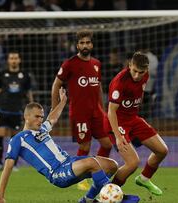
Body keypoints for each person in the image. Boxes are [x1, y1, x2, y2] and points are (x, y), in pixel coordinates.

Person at [0, 88, 118, 203]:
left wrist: (62, 102)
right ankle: (115, 196)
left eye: (41, 117)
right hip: (57, 172)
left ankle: (87, 200)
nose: (40, 120)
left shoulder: (42, 129)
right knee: (92, 162)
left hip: (69, 162)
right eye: (37, 116)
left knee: (112, 165)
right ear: (26, 117)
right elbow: (8, 167)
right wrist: (0, 196)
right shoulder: (18, 139)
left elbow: (52, 118)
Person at [51, 29, 113, 190]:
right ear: (77, 45)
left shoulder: (97, 64)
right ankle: (80, 178)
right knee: (85, 147)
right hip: (80, 113)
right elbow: (56, 84)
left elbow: (98, 86)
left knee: (107, 144)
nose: (85, 45)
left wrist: (103, 109)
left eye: (88, 42)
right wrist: (53, 108)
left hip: (97, 112)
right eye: (82, 43)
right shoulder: (70, 64)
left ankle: (99, 172)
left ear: (92, 44)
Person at [104, 52, 168, 196]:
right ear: (129, 66)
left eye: (141, 72)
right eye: (135, 71)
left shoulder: (145, 75)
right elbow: (111, 112)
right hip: (117, 122)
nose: (138, 75)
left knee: (162, 150)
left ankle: (144, 178)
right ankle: (108, 194)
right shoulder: (119, 82)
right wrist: (118, 136)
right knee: (132, 163)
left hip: (133, 119)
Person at [0, 51, 34, 171]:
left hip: (17, 111)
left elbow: (28, 94)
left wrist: (32, 108)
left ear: (19, 60)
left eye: (15, 58)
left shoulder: (25, 75)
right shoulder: (2, 74)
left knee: (15, 139)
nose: (13, 60)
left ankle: (14, 164)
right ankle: (0, 163)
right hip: (2, 109)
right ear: (8, 60)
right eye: (11, 58)